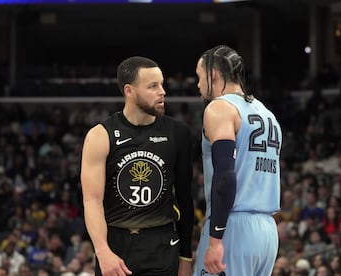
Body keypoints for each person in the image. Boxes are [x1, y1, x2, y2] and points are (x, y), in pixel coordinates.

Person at [80, 56, 194, 276]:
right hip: (117, 245)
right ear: (129, 91)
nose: (162, 91)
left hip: (162, 244)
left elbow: (185, 198)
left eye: (162, 84)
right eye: (153, 86)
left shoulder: (178, 134)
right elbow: (91, 201)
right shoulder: (100, 136)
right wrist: (102, 251)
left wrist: (185, 257)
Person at [193, 45, 282, 275]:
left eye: (199, 76)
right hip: (267, 232)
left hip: (233, 227)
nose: (198, 84)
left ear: (213, 74)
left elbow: (226, 177)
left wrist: (215, 239)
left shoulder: (219, 108)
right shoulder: (267, 113)